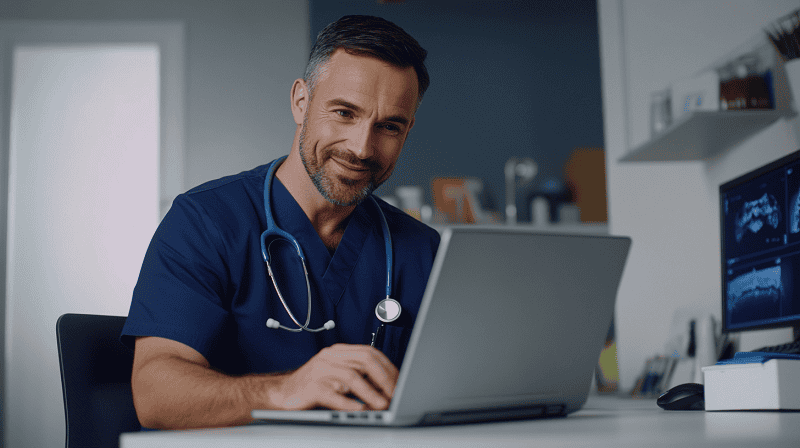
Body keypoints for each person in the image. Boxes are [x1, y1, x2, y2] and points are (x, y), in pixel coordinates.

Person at [121, 15, 440, 430]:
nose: (362, 148)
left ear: (408, 130)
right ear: (300, 101)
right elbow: (155, 396)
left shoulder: (422, 249)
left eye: (389, 126)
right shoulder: (205, 221)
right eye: (344, 113)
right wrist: (282, 391)